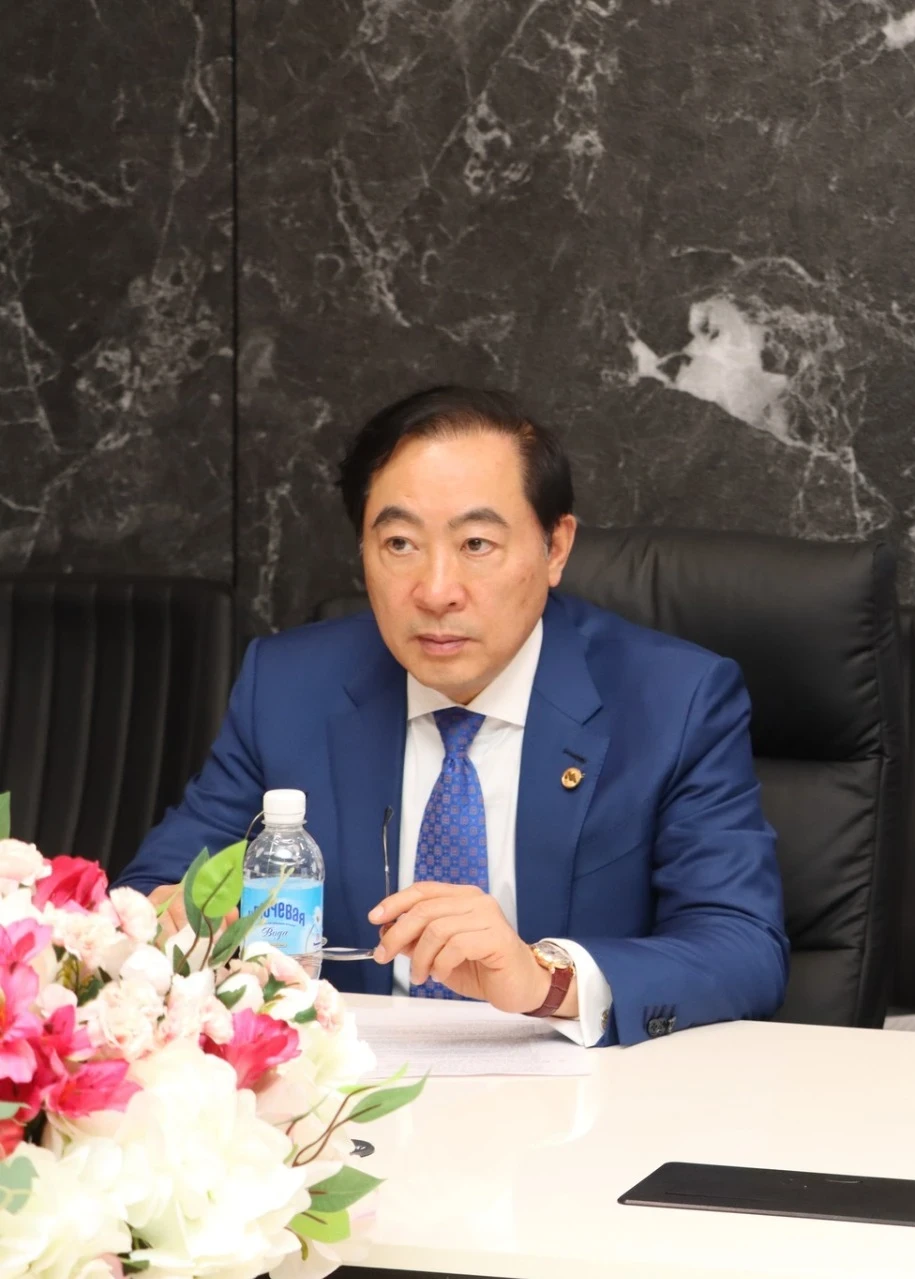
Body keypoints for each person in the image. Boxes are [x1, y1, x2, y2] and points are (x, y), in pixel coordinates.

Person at [117, 386, 789, 1046]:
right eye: (400, 543)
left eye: (476, 544)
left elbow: (742, 946)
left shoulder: (673, 699)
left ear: (556, 547)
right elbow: (151, 891)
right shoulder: (290, 687)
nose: (436, 592)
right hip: (345, 1083)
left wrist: (544, 979)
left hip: (581, 1091)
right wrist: (178, 920)